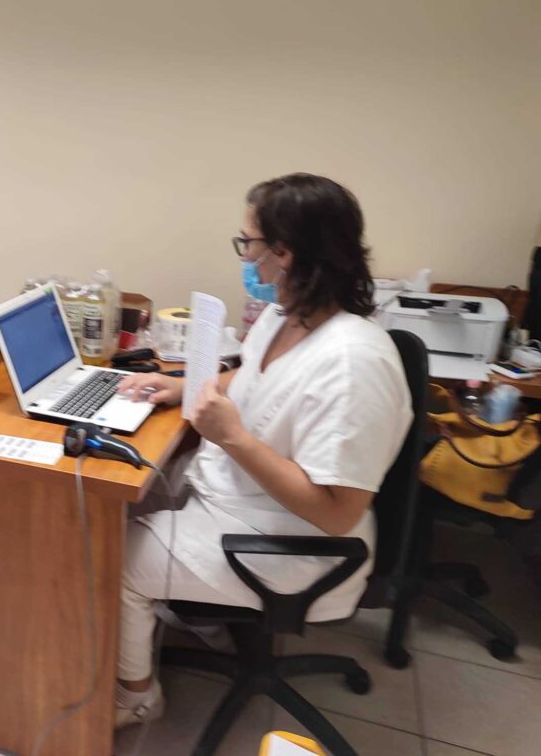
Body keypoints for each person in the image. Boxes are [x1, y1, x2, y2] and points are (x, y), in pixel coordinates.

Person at [114, 173, 412, 727]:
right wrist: (182, 387)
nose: (245, 256)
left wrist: (234, 437)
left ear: (285, 252)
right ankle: (201, 611)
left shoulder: (353, 364)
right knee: (122, 497)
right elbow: (255, 379)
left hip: (295, 546)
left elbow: (336, 513)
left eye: (247, 242)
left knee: (115, 560)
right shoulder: (284, 315)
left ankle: (137, 699)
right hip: (238, 498)